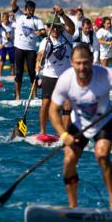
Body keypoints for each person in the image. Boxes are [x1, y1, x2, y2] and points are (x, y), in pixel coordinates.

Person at [49, 44, 112, 211]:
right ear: (71, 62)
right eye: (78, 63)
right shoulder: (66, 79)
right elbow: (53, 110)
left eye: (85, 63)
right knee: (68, 160)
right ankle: (73, 206)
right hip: (79, 124)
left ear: (92, 60)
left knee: (102, 155)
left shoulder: (104, 74)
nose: (82, 67)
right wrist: (63, 135)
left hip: (104, 122)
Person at [36, 7, 75, 136]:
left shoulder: (67, 37)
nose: (55, 30)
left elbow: (72, 26)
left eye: (57, 27)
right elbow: (41, 54)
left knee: (67, 106)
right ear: (48, 28)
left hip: (65, 77)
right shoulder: (45, 42)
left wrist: (62, 14)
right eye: (52, 27)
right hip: (49, 77)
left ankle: (63, 133)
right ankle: (43, 132)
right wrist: (39, 62)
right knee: (45, 105)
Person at [9, 0, 46, 100]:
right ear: (25, 9)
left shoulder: (37, 20)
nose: (31, 11)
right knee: (19, 73)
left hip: (31, 50)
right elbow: (13, 3)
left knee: (32, 73)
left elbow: (44, 31)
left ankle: (34, 96)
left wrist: (41, 33)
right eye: (29, 9)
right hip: (19, 48)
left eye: (33, 10)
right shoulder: (19, 16)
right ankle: (18, 97)